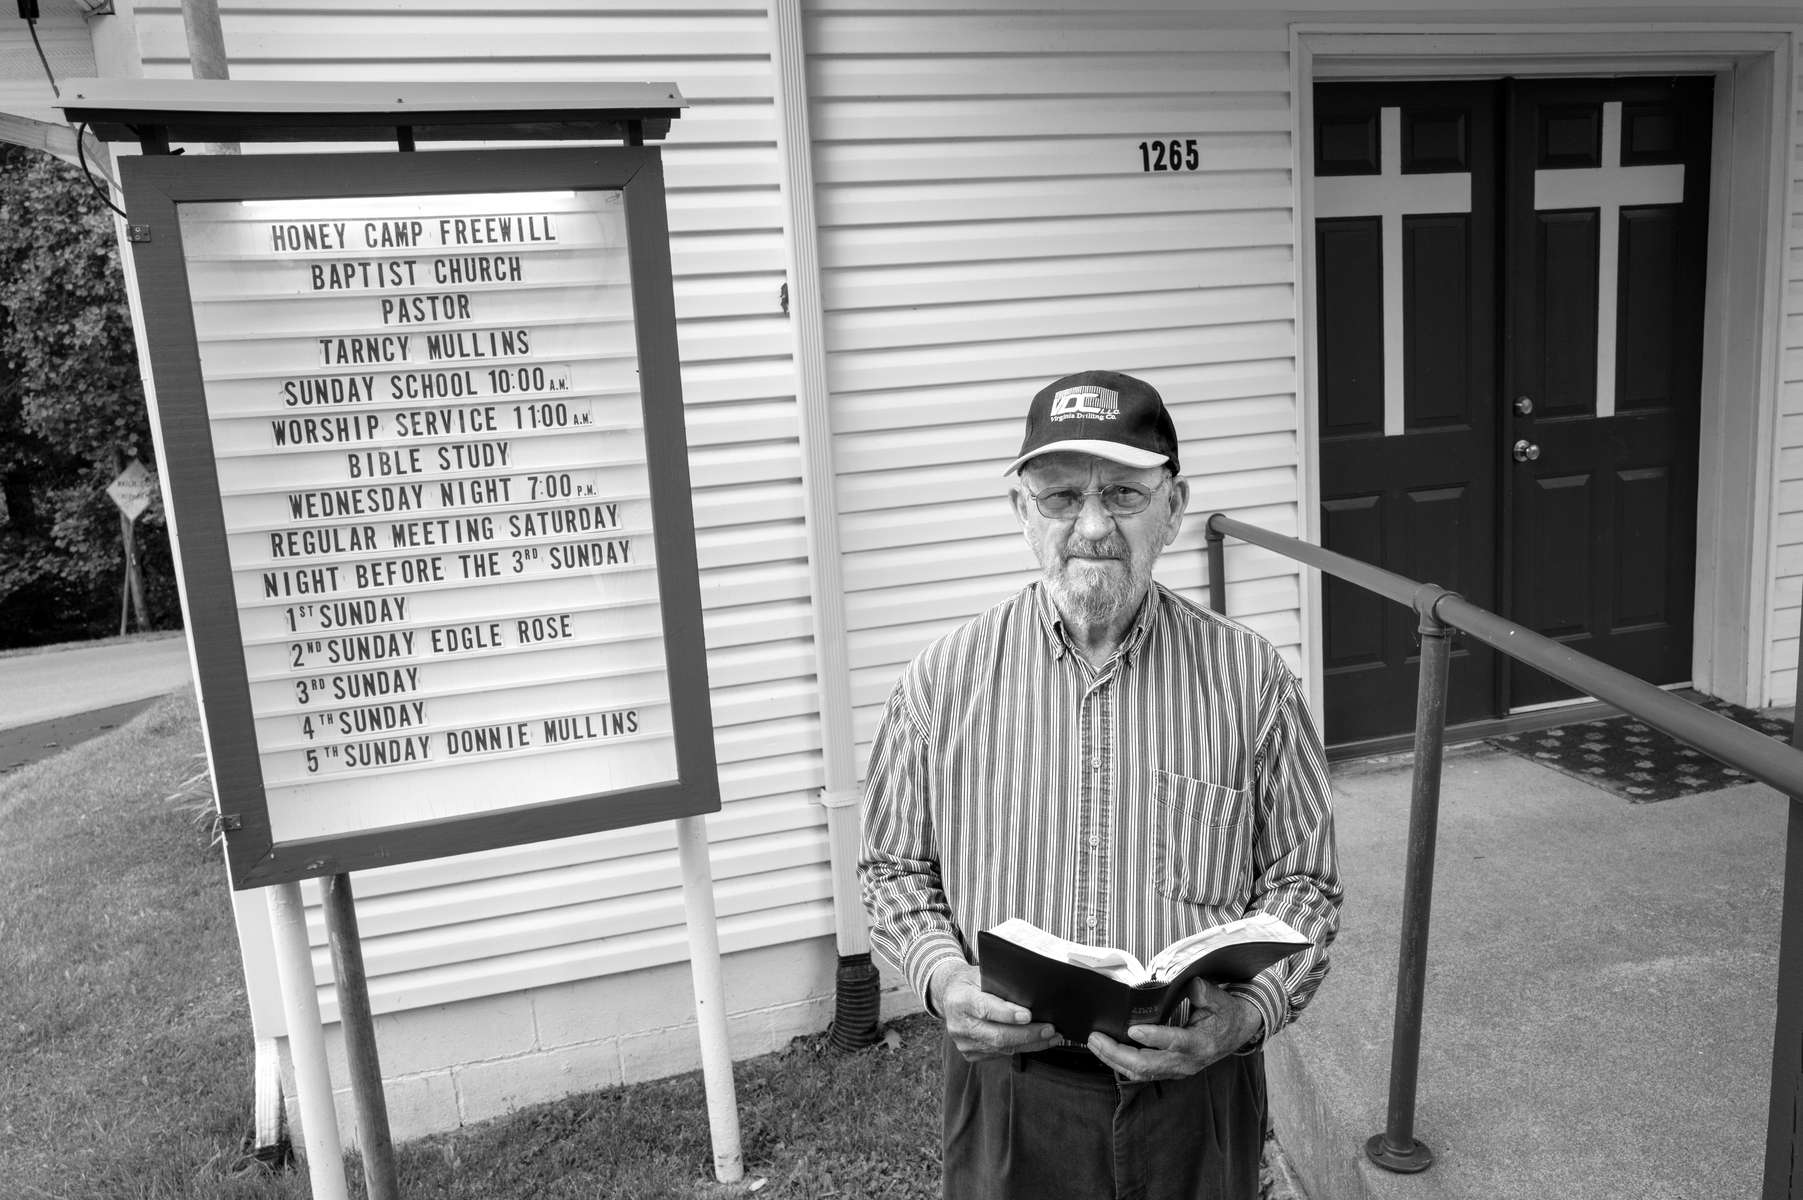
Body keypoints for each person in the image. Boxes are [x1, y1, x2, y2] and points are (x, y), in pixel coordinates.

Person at [859, 369, 1342, 1200]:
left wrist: (1248, 1015)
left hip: (1195, 1094)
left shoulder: (1250, 679)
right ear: (1021, 512)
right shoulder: (940, 684)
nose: (1091, 527)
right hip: (1012, 1096)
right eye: (1060, 498)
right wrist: (943, 978)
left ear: (1173, 506)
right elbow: (892, 869)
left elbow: (1305, 884)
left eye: (1122, 494)